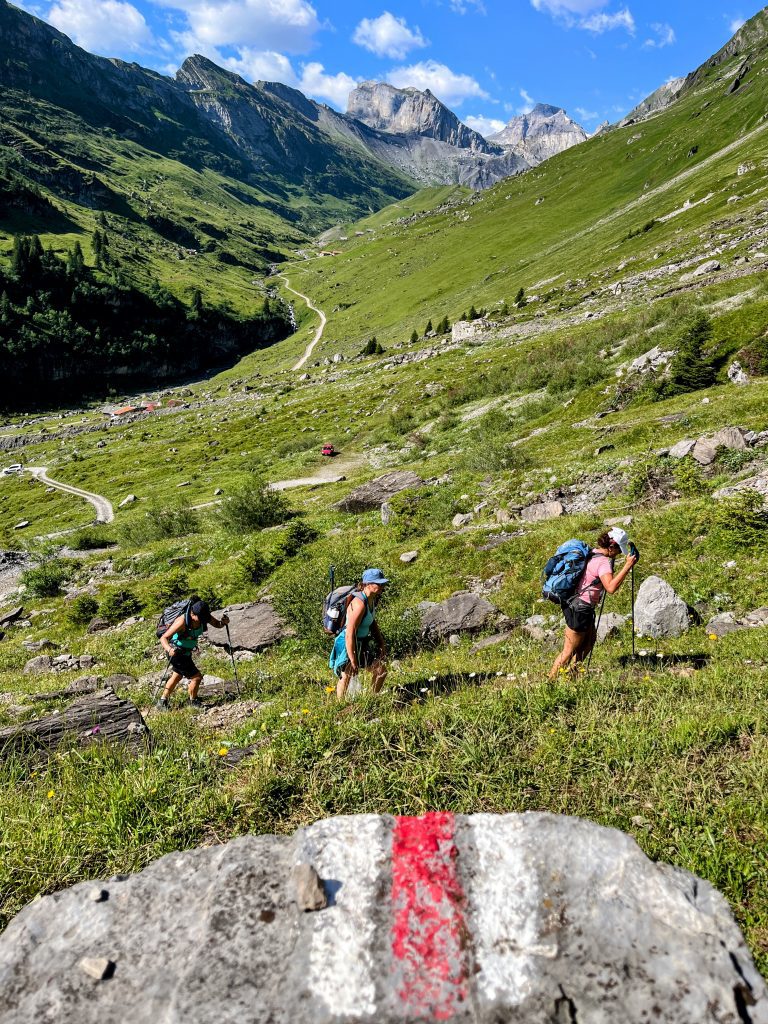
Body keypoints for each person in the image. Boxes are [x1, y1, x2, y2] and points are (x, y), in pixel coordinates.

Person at [548, 527, 637, 680]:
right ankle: (549, 684)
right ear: (611, 546)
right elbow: (611, 588)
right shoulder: (602, 562)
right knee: (569, 651)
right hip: (579, 608)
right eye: (617, 550)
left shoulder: (592, 553)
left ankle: (572, 677)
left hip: (581, 606)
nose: (617, 554)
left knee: (589, 642)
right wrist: (627, 566)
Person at [156, 598, 229, 709]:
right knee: (196, 677)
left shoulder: (204, 616)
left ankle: (162, 701)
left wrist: (223, 622)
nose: (202, 621)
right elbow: (164, 638)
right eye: (199, 618)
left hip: (186, 653)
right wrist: (169, 650)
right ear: (192, 613)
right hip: (177, 653)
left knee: (177, 676)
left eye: (204, 618)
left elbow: (217, 624)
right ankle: (193, 702)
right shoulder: (182, 621)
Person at [330, 568, 389, 700]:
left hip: (362, 642)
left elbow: (372, 622)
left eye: (383, 584)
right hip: (348, 643)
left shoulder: (372, 600)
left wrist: (381, 643)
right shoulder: (359, 603)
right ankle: (340, 705)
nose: (382, 587)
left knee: (380, 671)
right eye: (378, 584)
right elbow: (349, 633)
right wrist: (352, 658)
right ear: (367, 584)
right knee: (347, 673)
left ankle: (372, 699)